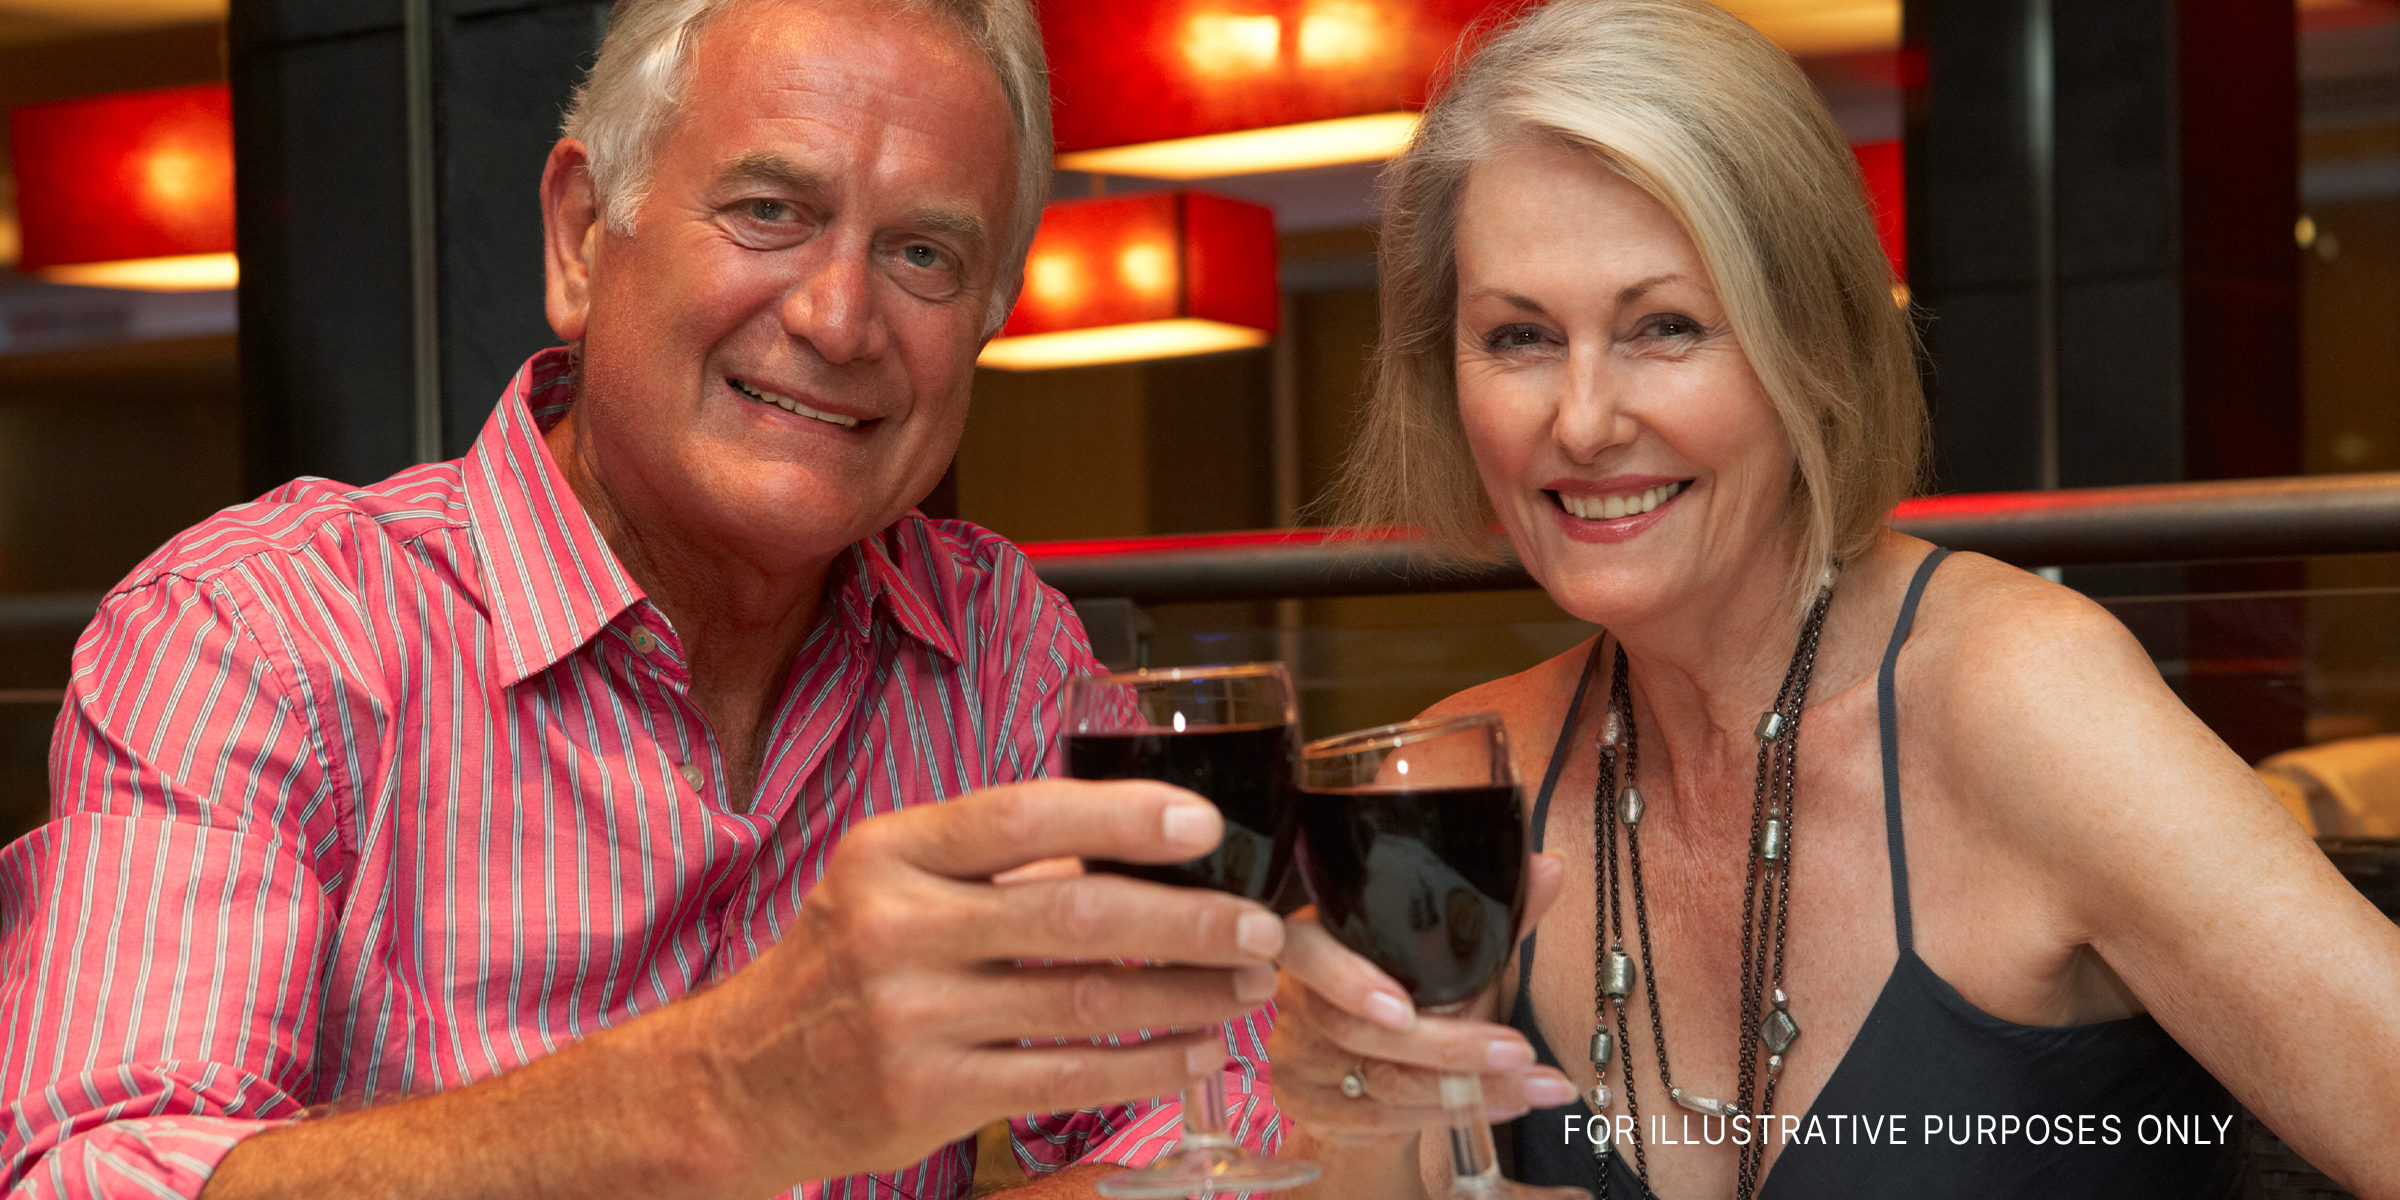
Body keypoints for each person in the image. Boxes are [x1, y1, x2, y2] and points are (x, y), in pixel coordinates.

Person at [0, 1, 1289, 1197]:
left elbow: (1203, 1119)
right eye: (770, 209)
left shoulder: (1000, 654)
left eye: (922, 252)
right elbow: (101, 1174)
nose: (842, 319)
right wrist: (707, 1098)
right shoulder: (261, 631)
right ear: (579, 235)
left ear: (988, 321)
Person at [1261, 2, 2400, 1198]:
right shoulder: (1463, 793)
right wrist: (1346, 1114)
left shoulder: (2025, 700)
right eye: (1520, 337)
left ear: (1814, 345)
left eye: (1665, 327)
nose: (1583, 421)